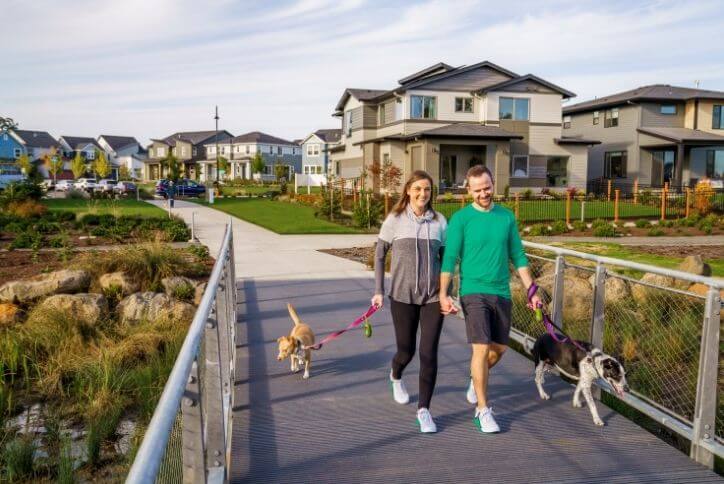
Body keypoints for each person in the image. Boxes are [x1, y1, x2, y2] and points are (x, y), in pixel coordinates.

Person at [439, 165, 541, 434]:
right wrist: (443, 293)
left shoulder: (506, 218)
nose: (483, 193)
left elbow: (518, 256)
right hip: (473, 291)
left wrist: (531, 290)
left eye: (487, 187)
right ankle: (483, 410)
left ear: (493, 184)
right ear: (468, 190)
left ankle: (476, 379)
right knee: (481, 349)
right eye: (477, 189)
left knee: (500, 349)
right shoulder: (461, 219)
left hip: (501, 291)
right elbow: (450, 259)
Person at [372, 170, 447, 433]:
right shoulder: (394, 220)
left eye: (427, 189)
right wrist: (379, 290)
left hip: (432, 298)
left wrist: (447, 293)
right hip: (402, 296)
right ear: (407, 190)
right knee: (407, 351)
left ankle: (424, 410)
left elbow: (447, 261)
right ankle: (396, 375)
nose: (422, 194)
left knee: (428, 354)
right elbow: (380, 255)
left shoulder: (439, 222)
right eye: (417, 189)